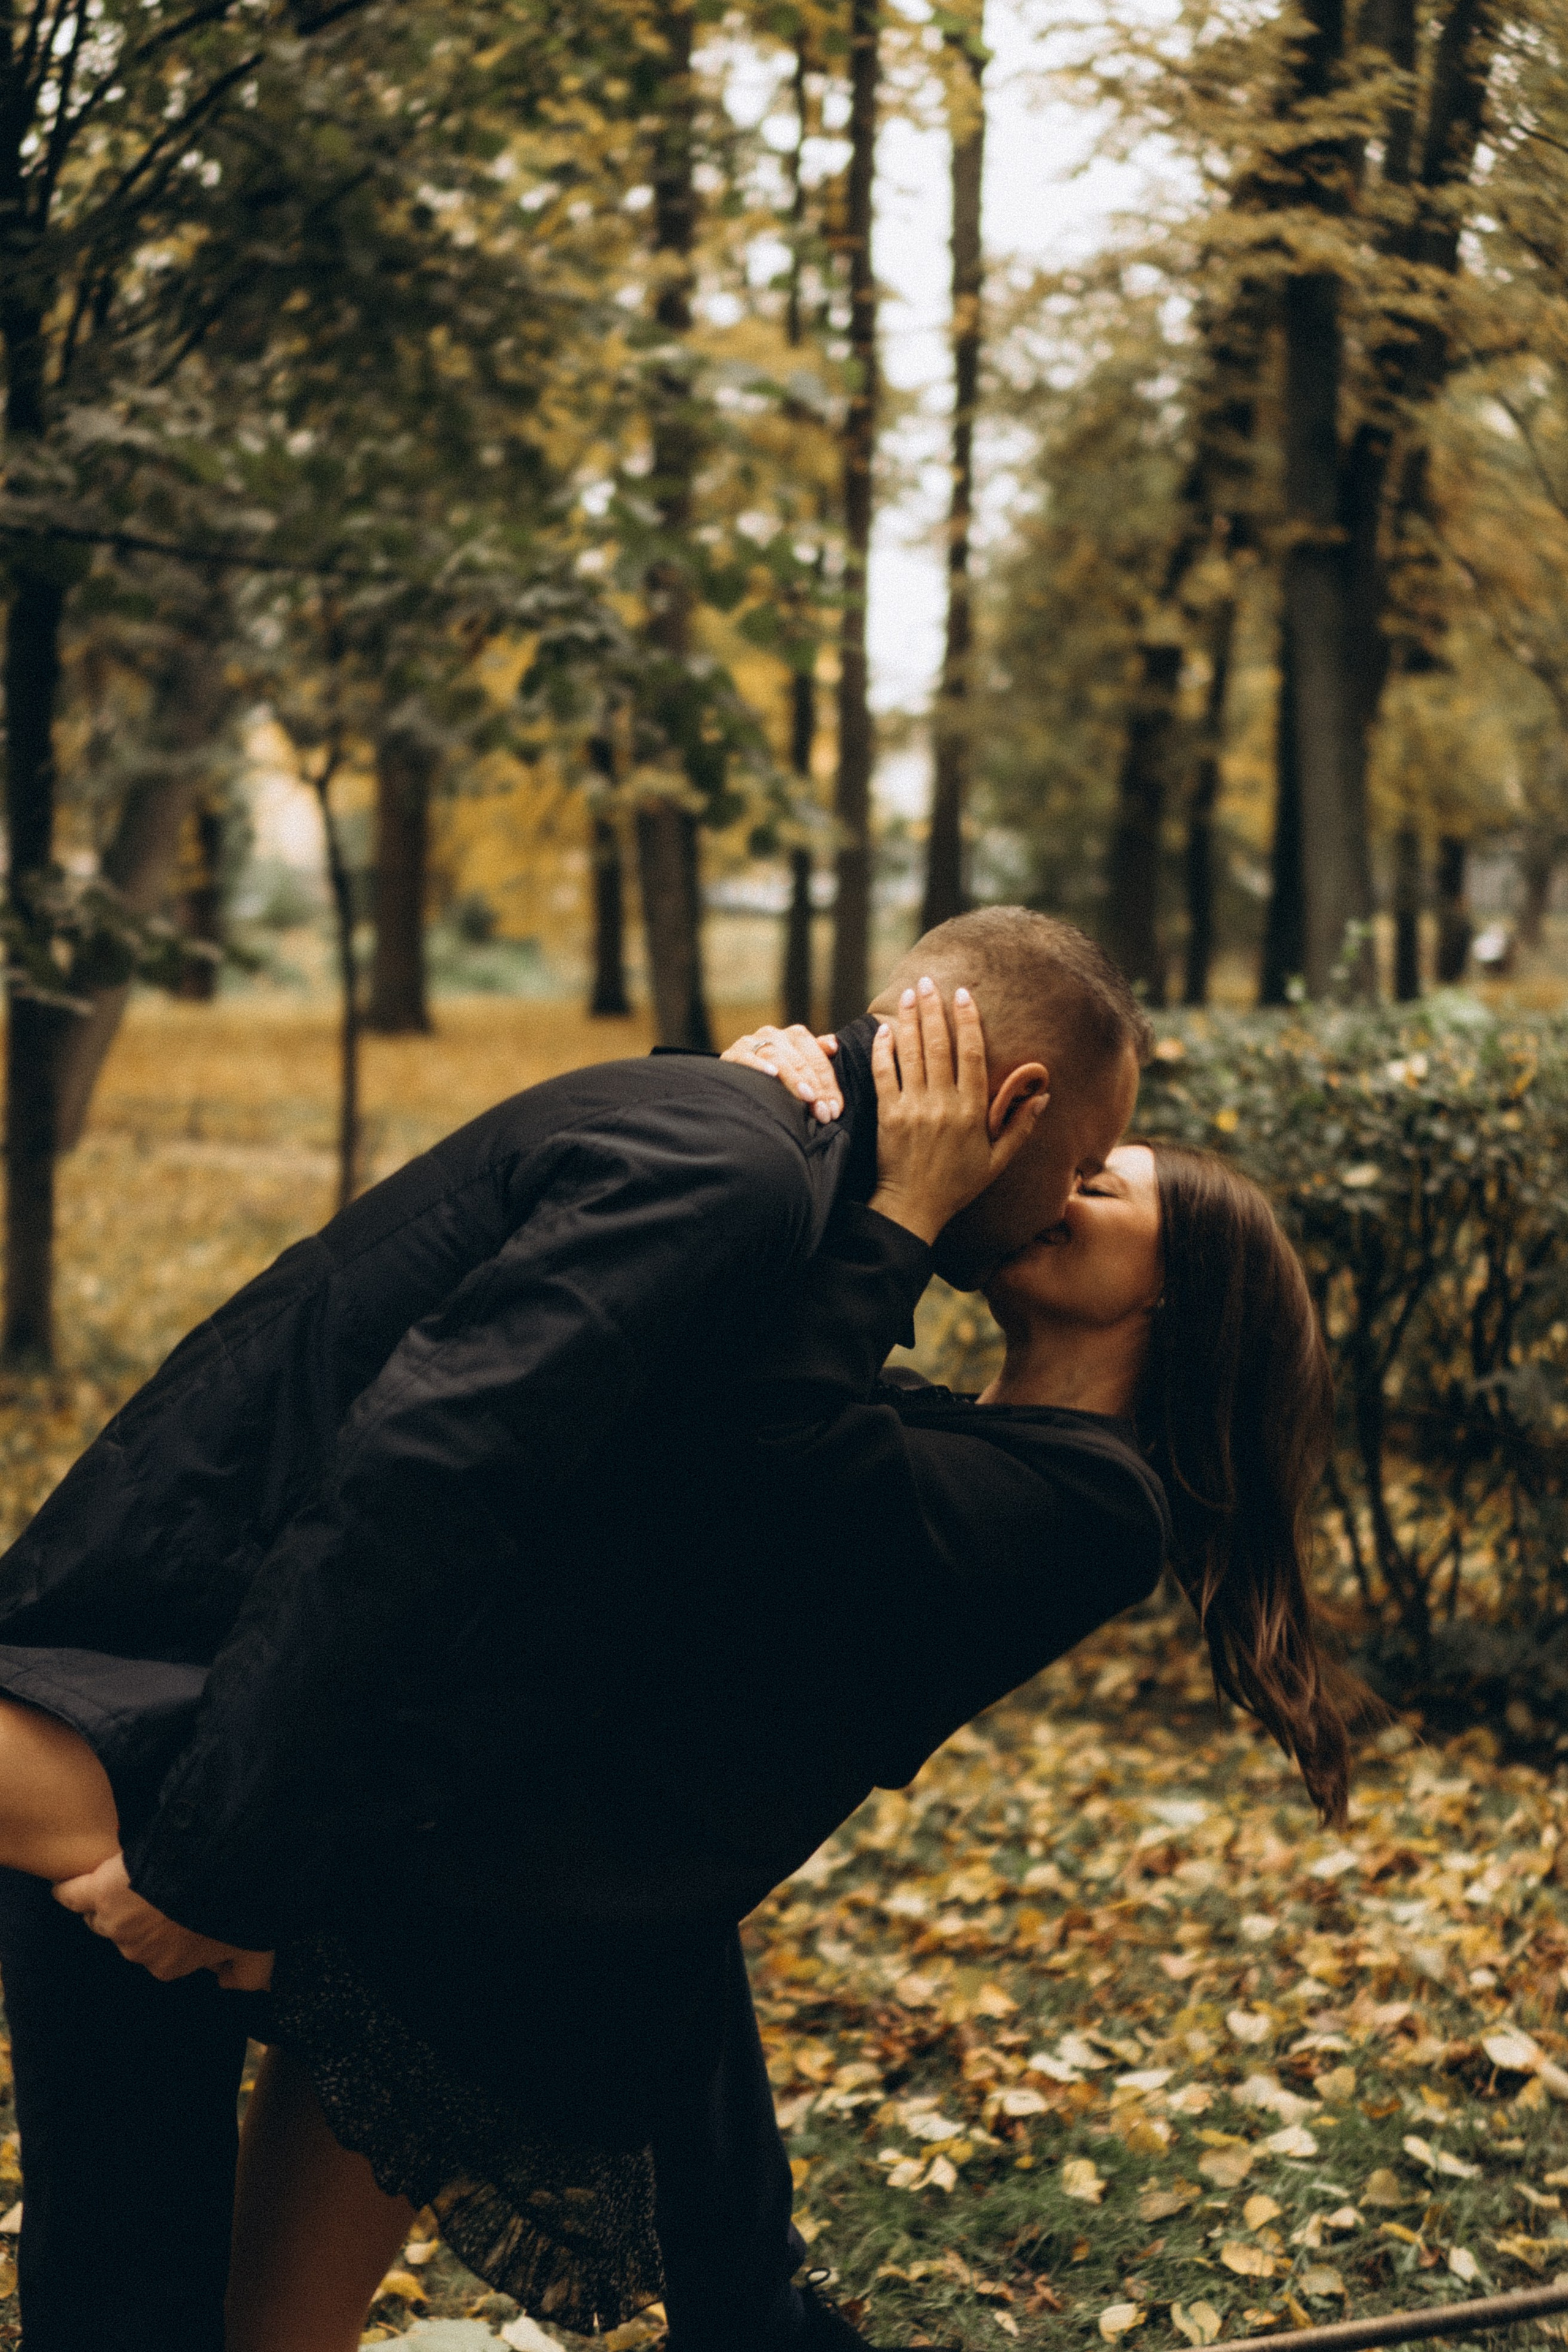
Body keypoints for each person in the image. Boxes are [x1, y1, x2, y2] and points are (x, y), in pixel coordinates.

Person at [0, 978, 1353, 2352]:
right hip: (477, 1836)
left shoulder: (1093, 1513)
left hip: (496, 1896)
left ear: (1179, 1291)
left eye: (1095, 1183)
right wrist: (774, 1101)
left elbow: (763, 1450)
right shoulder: (971, 1431)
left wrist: (889, 1211)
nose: (1047, 1186)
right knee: (268, 2331)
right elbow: (697, 1366)